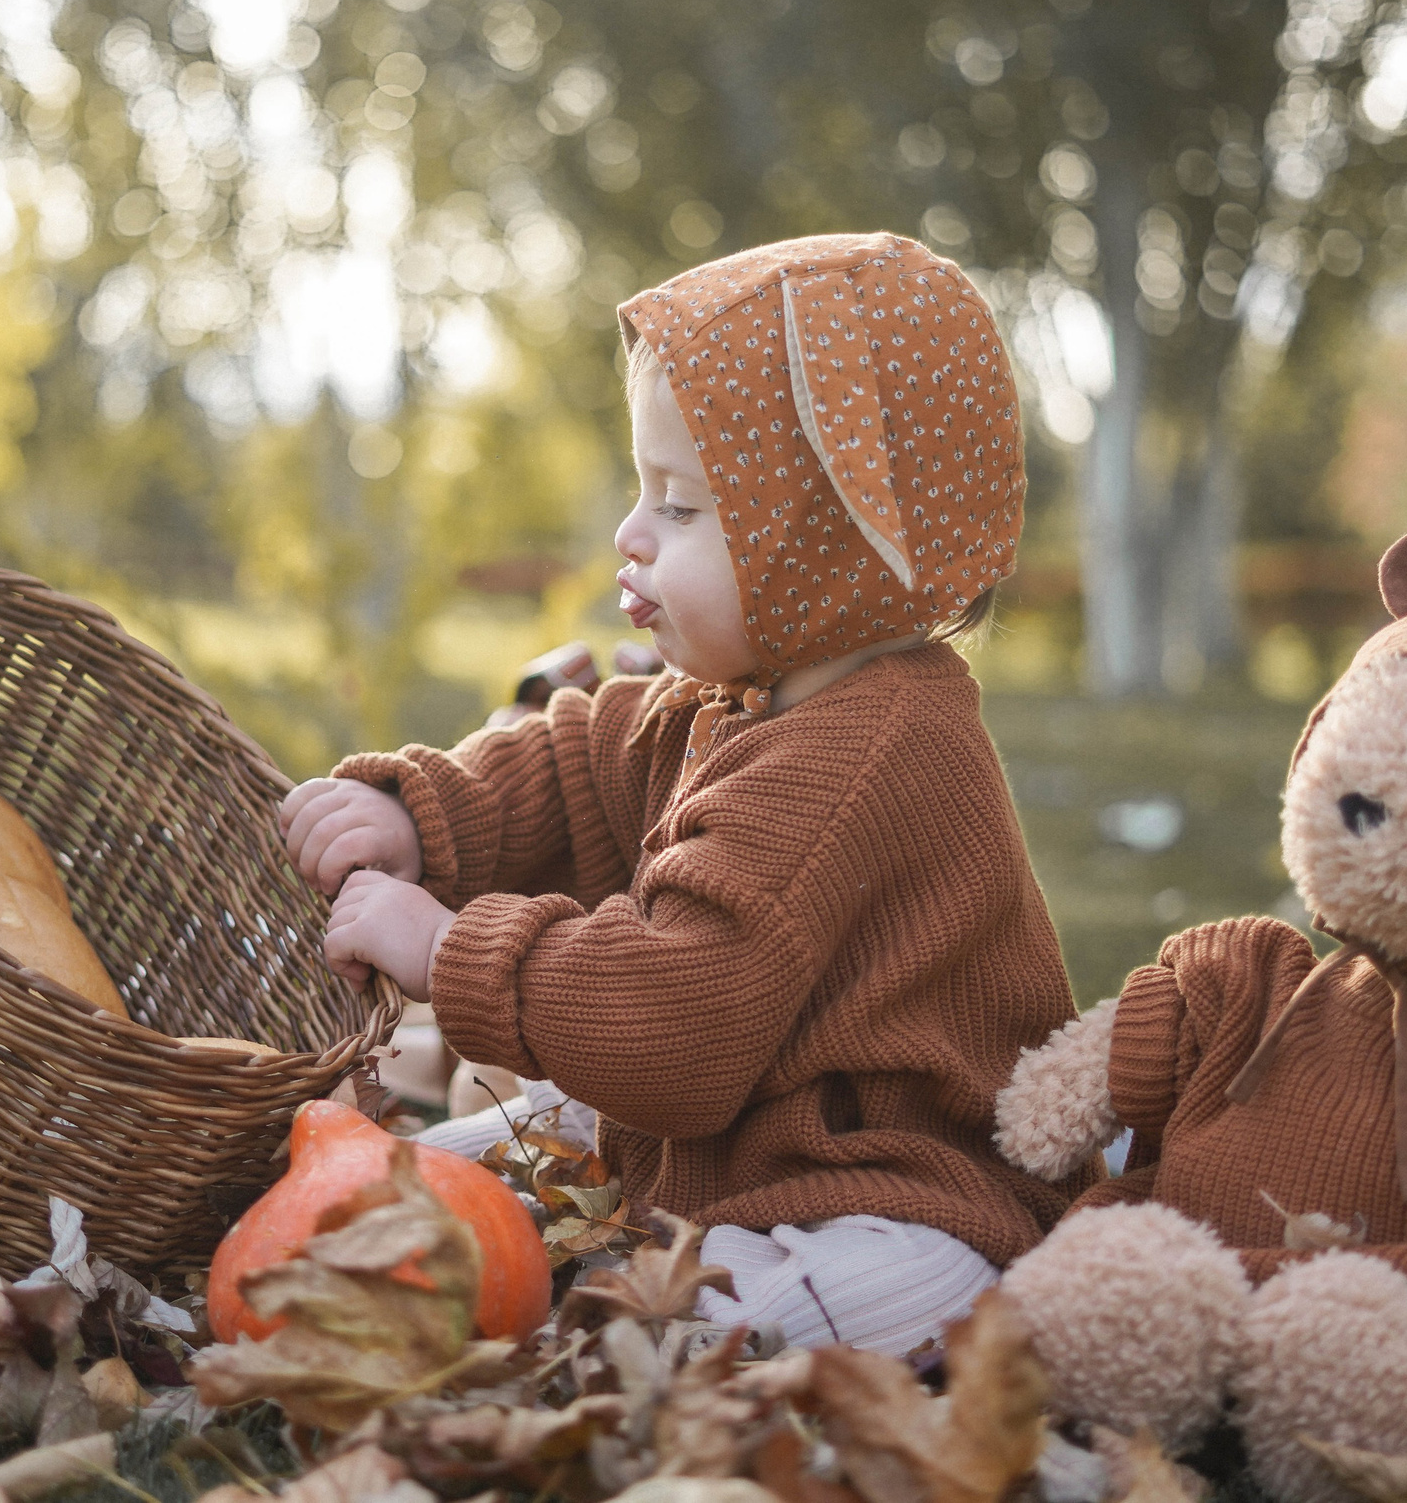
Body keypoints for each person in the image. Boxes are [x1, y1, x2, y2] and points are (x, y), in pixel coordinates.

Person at [278, 233, 1091, 1354]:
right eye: (644, 490)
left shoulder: (861, 754)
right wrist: (424, 813)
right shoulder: (743, 695)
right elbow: (577, 760)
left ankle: (601, 1334)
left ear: (827, 549)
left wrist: (447, 949)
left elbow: (674, 1024)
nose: (631, 534)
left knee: (718, 1325)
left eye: (685, 509)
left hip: (884, 1188)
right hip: (733, 1139)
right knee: (427, 1178)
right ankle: (420, 1231)